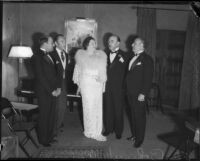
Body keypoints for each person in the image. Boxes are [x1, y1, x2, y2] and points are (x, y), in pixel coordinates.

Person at [72, 36, 107, 141]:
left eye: (94, 43)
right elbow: (78, 72)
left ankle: (97, 132)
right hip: (86, 84)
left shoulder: (101, 55)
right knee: (88, 108)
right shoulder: (80, 55)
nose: (94, 44)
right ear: (86, 44)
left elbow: (103, 72)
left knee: (97, 108)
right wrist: (79, 86)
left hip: (97, 85)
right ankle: (89, 131)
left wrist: (102, 82)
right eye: (91, 43)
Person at [31, 35, 61, 147]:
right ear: (45, 44)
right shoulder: (36, 56)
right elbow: (40, 77)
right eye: (52, 42)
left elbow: (55, 74)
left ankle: (49, 137)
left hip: (53, 91)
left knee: (51, 115)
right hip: (44, 92)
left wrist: (58, 88)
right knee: (44, 116)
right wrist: (51, 91)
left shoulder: (50, 55)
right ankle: (43, 140)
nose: (54, 44)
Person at [126, 36, 154, 148]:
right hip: (130, 92)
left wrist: (143, 93)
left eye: (135, 43)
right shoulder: (132, 57)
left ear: (142, 45)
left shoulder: (147, 59)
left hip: (139, 94)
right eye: (133, 43)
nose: (132, 45)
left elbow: (148, 78)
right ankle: (134, 135)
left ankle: (140, 139)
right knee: (133, 115)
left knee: (139, 116)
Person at [103, 34, 129, 139]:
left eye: (112, 41)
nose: (110, 43)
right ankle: (108, 129)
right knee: (108, 109)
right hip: (107, 87)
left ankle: (118, 131)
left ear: (118, 43)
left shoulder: (125, 55)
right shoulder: (104, 54)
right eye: (109, 41)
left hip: (119, 88)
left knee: (118, 110)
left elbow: (128, 73)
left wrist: (125, 87)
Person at [50, 34, 68, 135]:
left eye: (64, 40)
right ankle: (53, 130)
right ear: (56, 43)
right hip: (55, 84)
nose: (63, 43)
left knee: (62, 106)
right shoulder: (51, 54)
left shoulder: (66, 54)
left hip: (64, 84)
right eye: (61, 41)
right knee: (55, 107)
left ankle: (57, 126)